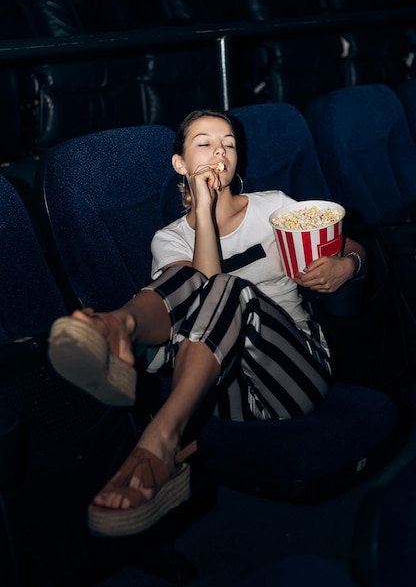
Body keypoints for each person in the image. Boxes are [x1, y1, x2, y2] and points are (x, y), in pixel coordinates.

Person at [48, 109, 366, 537]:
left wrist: (347, 265)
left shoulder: (275, 208)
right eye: (205, 143)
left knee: (231, 289)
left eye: (229, 143)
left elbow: (350, 244)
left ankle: (158, 436)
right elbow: (198, 294)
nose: (220, 150)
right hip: (214, 392)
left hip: (293, 374)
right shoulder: (170, 238)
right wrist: (202, 211)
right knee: (196, 283)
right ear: (180, 164)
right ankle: (116, 330)